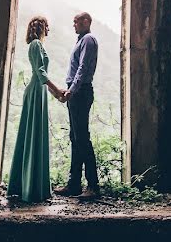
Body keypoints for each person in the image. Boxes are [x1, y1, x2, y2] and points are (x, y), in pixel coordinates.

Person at [8, 16, 64, 202]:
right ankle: (29, 188)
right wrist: (56, 90)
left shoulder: (37, 45)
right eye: (47, 26)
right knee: (32, 135)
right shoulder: (36, 45)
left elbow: (41, 75)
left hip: (39, 92)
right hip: (35, 92)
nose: (49, 29)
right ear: (42, 27)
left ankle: (29, 185)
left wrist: (55, 94)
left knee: (34, 135)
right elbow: (40, 72)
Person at [54, 12, 100, 199]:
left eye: (76, 21)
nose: (74, 24)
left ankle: (93, 186)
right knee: (75, 137)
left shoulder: (89, 39)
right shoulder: (81, 40)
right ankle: (74, 184)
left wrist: (71, 90)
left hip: (80, 92)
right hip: (76, 91)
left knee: (82, 138)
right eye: (73, 21)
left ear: (86, 22)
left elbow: (82, 68)